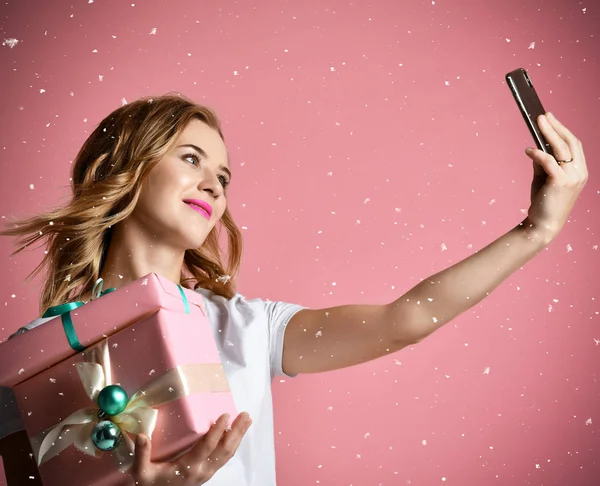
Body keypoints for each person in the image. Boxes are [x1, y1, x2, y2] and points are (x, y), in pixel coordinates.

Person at [0, 93, 588, 486]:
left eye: (225, 177)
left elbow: (403, 320)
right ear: (122, 166)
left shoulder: (247, 329)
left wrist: (537, 229)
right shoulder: (30, 358)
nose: (214, 183)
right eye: (191, 157)